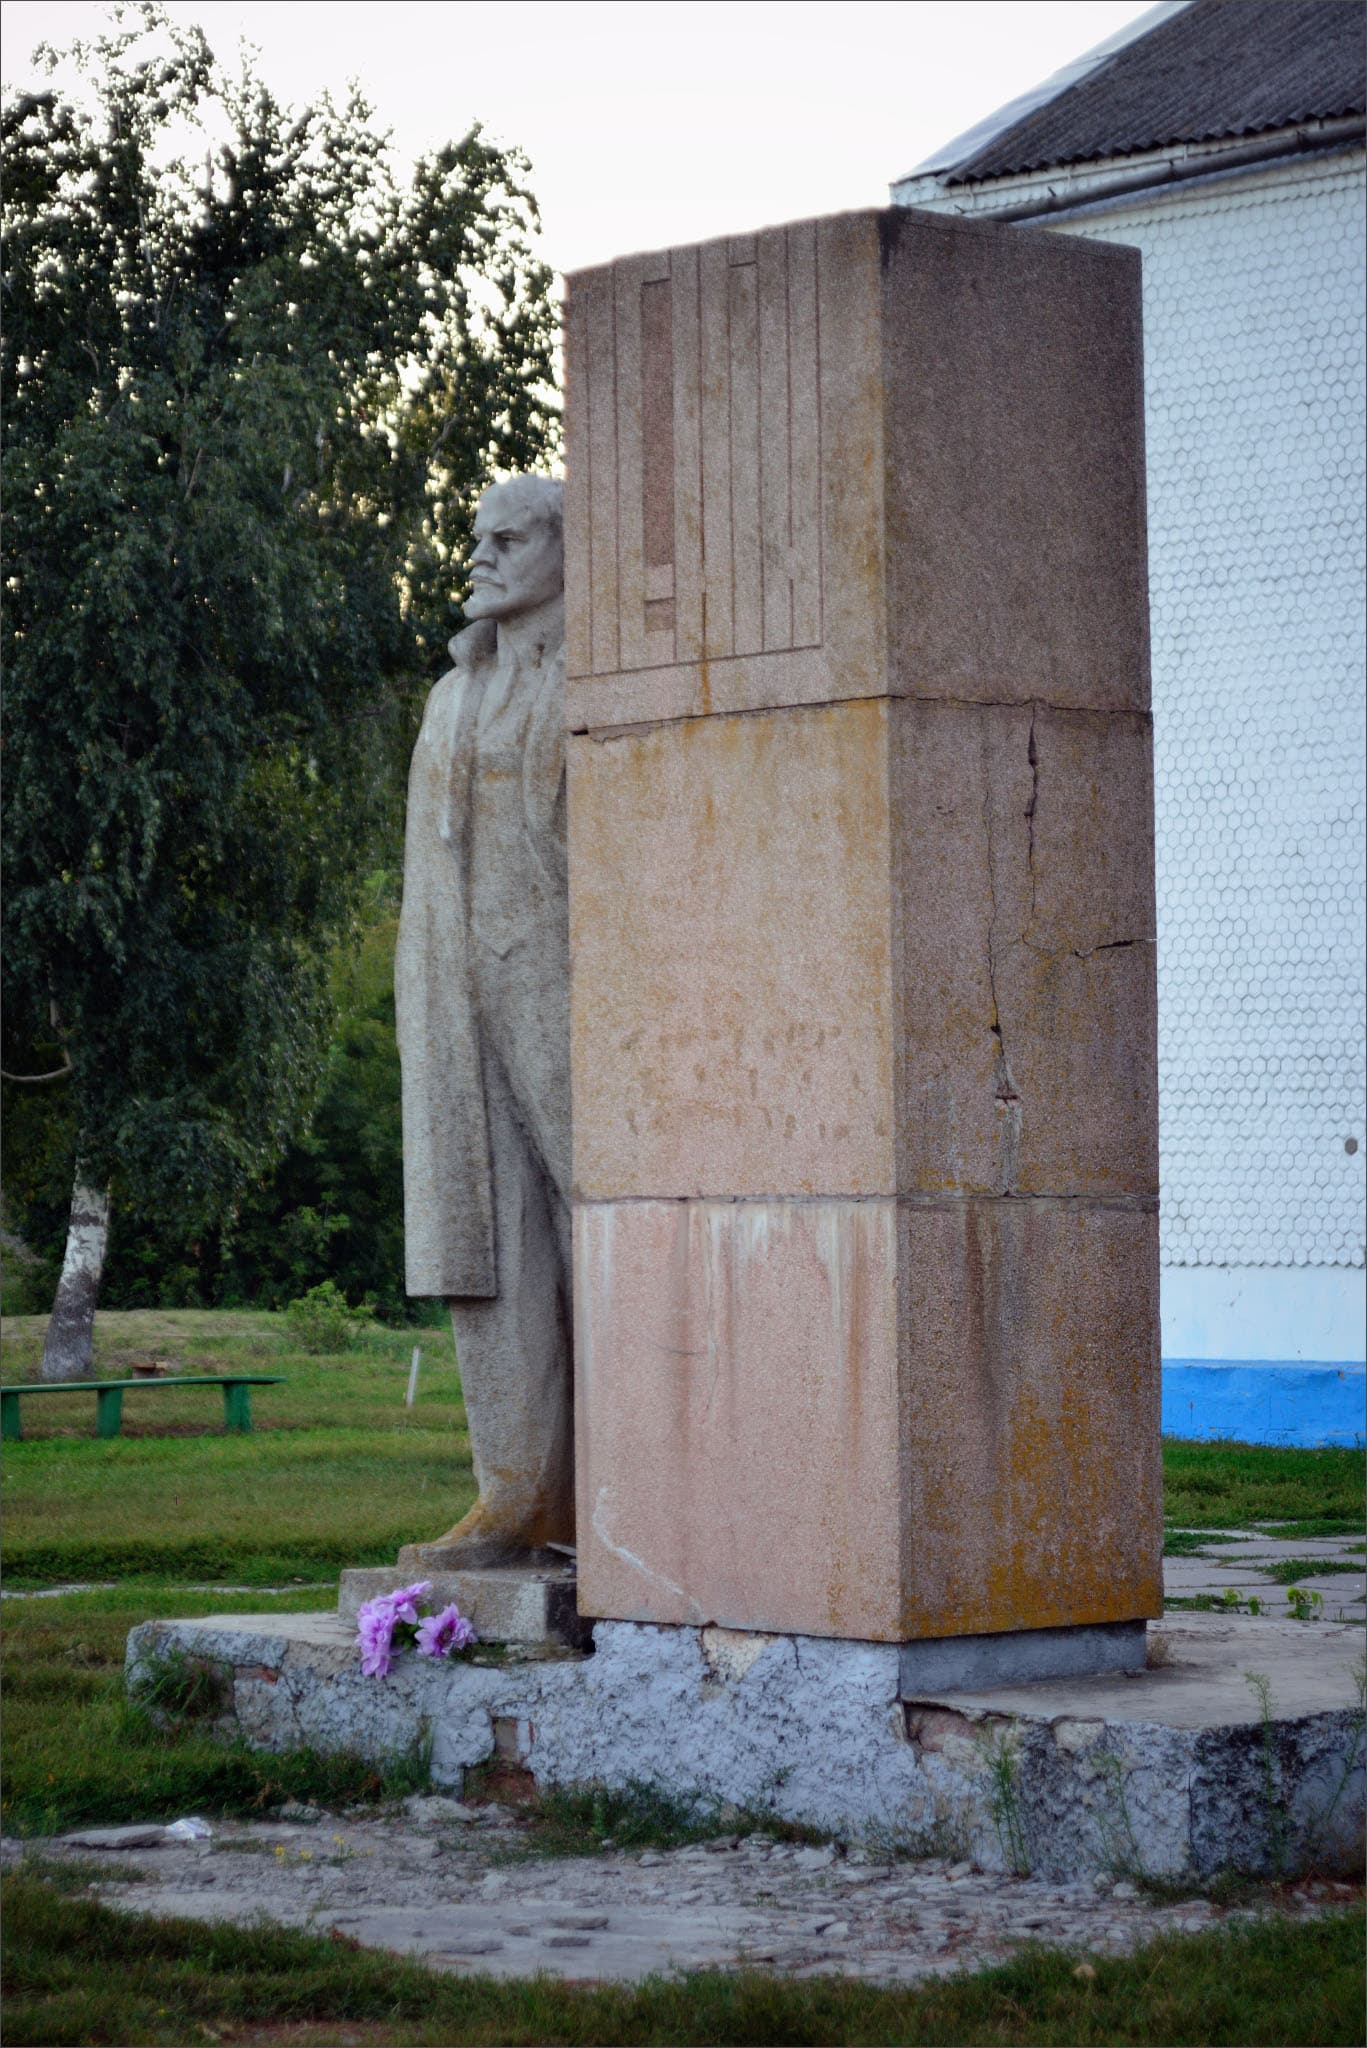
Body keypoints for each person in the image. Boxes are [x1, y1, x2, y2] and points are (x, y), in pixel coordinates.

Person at [394, 475, 572, 1567]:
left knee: (605, 1232)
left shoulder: (605, 680)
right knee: (486, 1245)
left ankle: (632, 1489)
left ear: (567, 549)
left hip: (568, 988)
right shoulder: (447, 695)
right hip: (454, 993)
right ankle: (510, 1493)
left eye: (507, 537)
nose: (481, 554)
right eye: (475, 537)